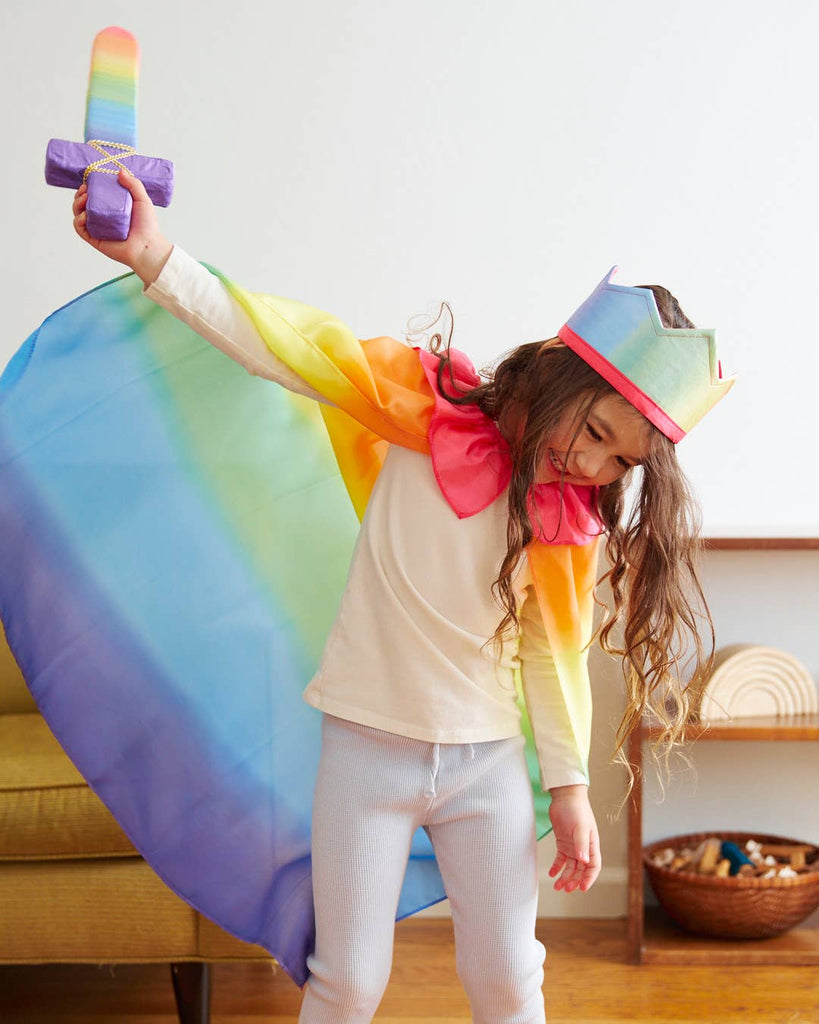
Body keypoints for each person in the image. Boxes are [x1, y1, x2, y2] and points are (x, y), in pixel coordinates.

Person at [70, 169, 732, 1024]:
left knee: (507, 980)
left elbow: (552, 654)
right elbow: (281, 343)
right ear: (561, 377)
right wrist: (153, 255)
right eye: (594, 430)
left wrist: (568, 790)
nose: (594, 466)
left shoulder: (567, 522)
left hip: (486, 765)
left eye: (620, 463)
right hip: (364, 754)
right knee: (346, 981)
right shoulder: (426, 407)